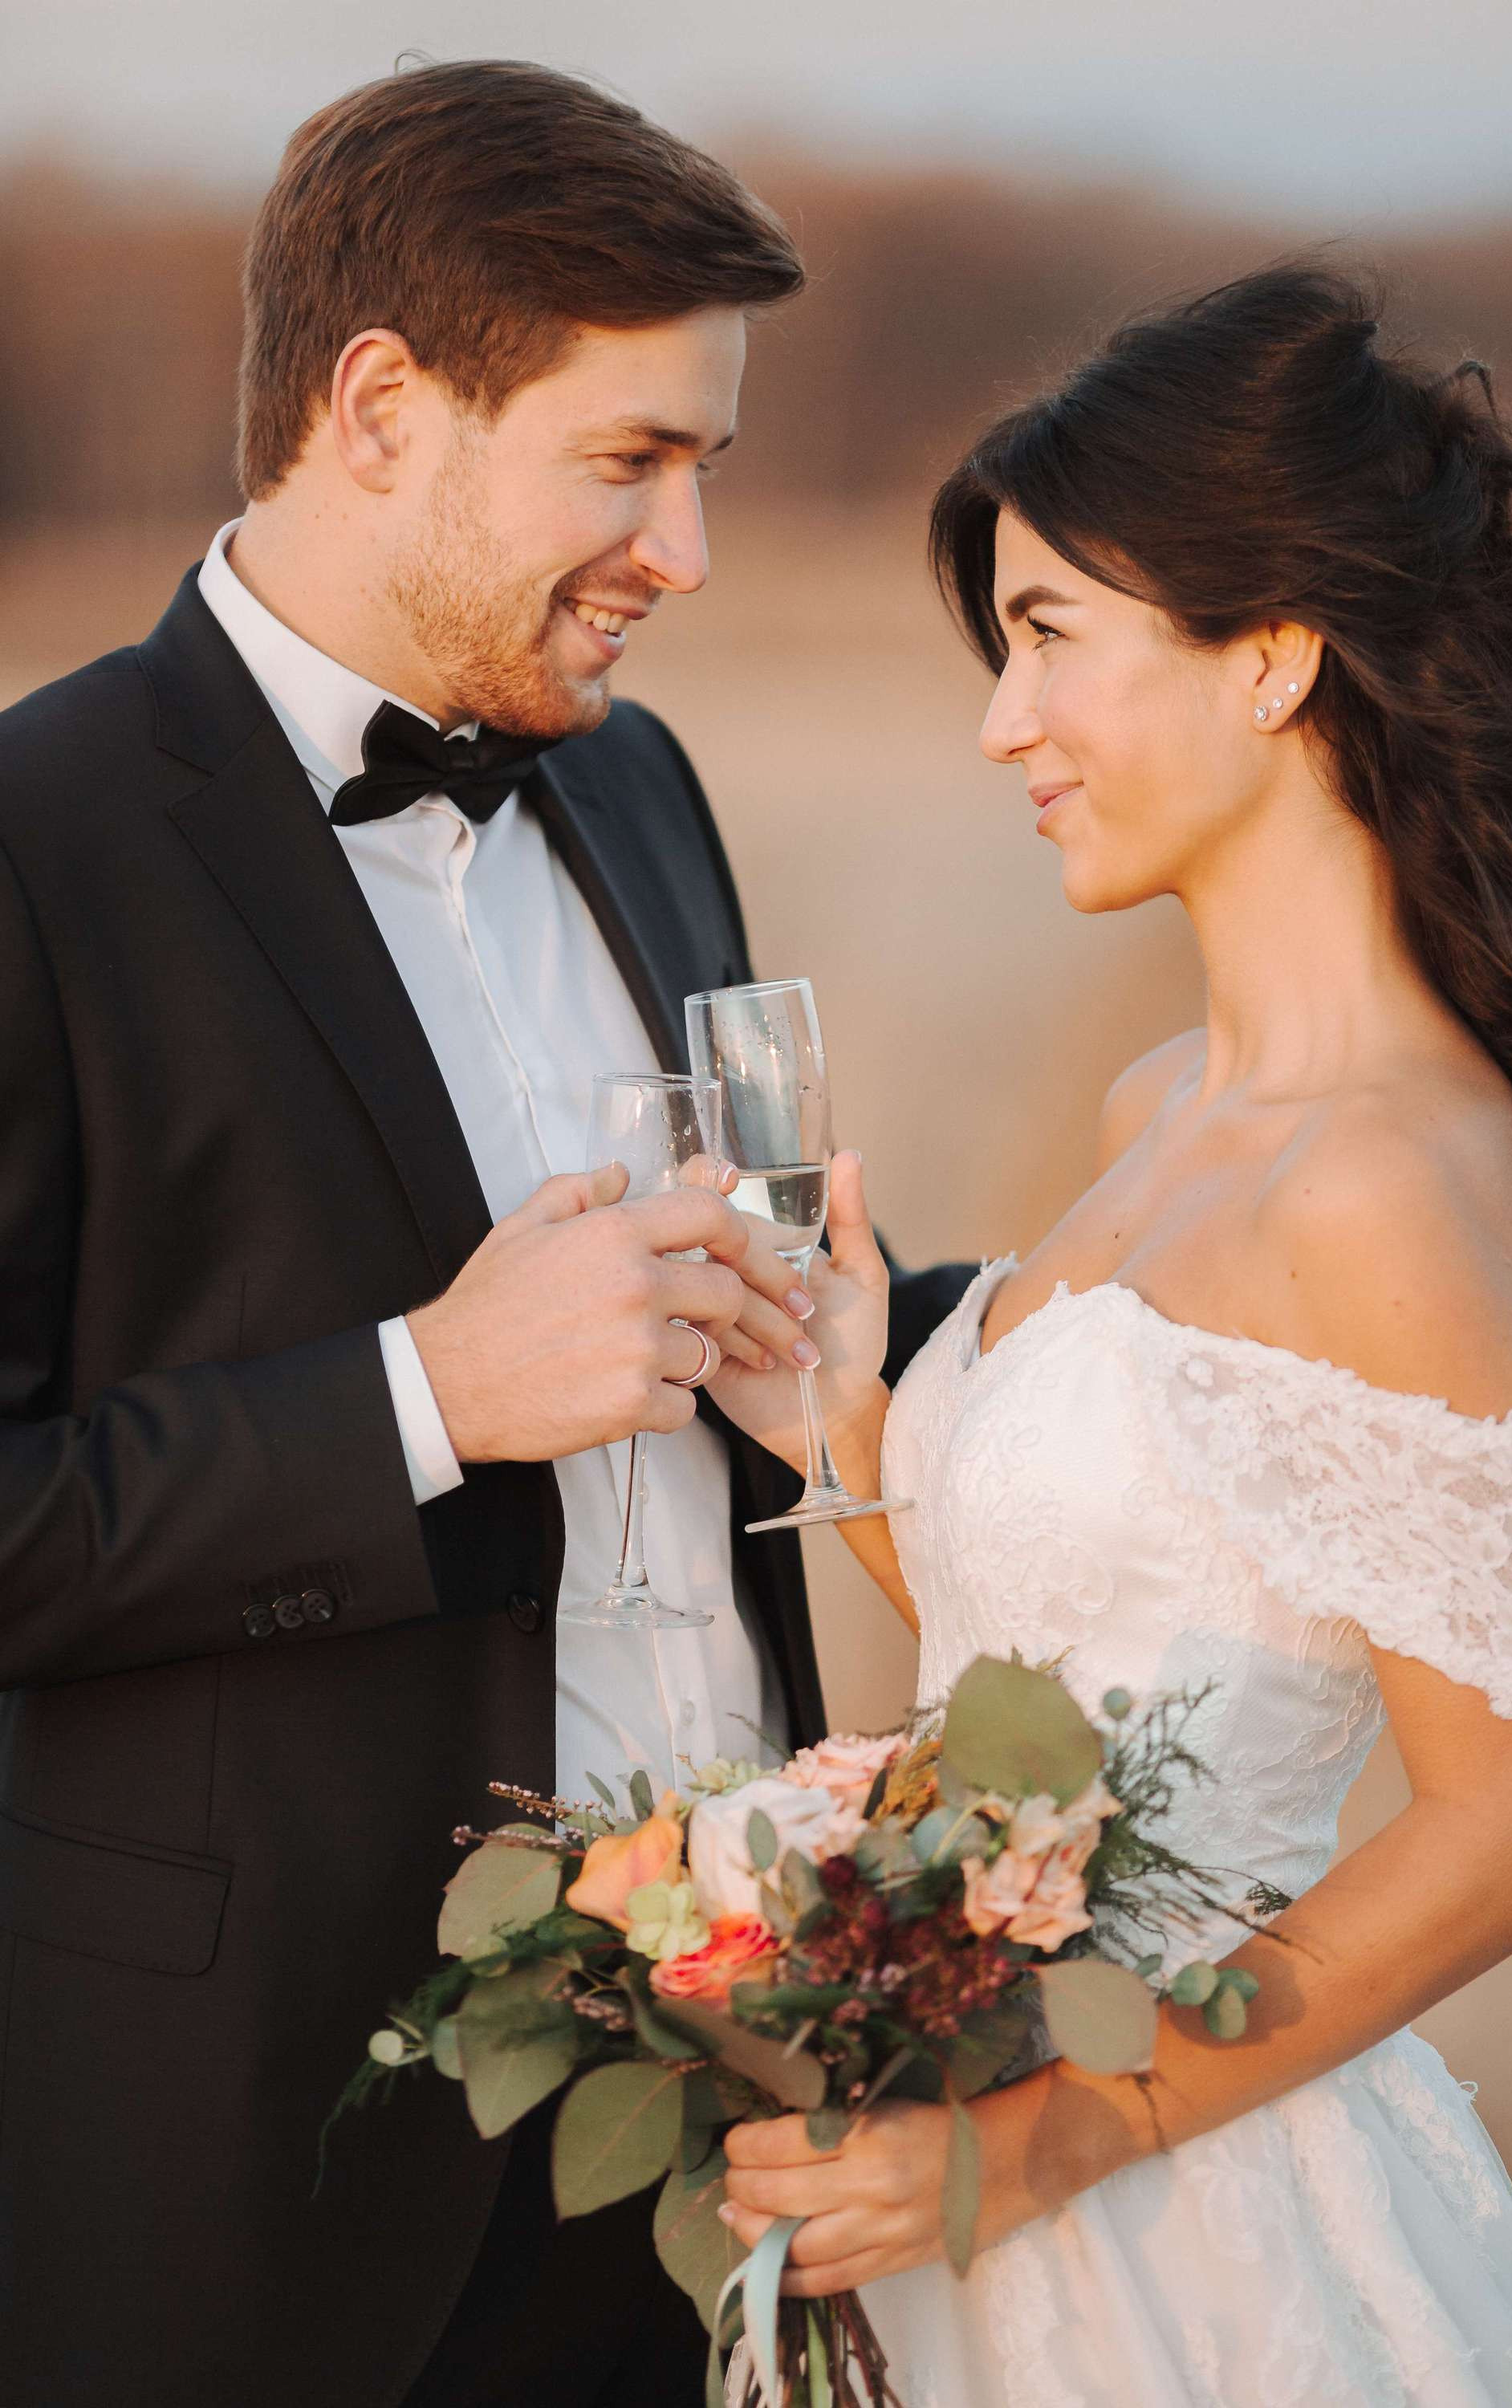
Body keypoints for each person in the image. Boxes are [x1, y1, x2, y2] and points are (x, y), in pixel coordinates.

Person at [0, 59, 972, 2408]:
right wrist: (427, 1395)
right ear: (380, 408)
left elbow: (767, 1334)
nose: (688, 552)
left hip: (713, 2122)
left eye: (707, 470)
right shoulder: (37, 845)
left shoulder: (638, 783)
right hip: (259, 2174)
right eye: (627, 462)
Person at [710, 265, 1512, 2404]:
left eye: (1048, 643)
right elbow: (1084, 1695)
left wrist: (1034, 2153)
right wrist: (848, 1421)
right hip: (986, 2162)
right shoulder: (1159, 1113)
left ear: (1275, 654)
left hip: (1186, 2218)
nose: (1002, 726)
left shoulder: (1380, 1172)